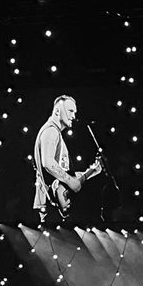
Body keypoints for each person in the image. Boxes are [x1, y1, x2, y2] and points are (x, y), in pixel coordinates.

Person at [33, 94, 102, 222]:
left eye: (74, 112)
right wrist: (71, 181)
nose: (74, 116)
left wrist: (91, 171)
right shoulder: (50, 131)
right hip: (52, 209)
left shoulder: (56, 133)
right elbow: (48, 163)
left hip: (55, 208)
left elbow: (64, 175)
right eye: (70, 111)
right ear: (58, 110)